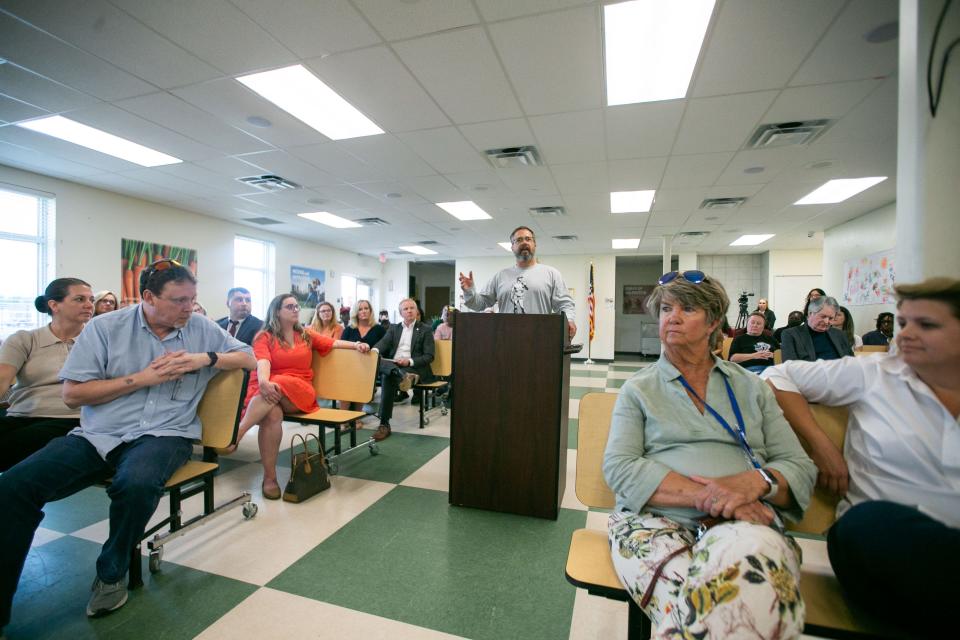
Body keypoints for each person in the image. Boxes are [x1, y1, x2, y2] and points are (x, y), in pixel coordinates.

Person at [0, 260, 255, 627]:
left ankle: (111, 570)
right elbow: (73, 395)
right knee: (12, 488)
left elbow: (248, 357)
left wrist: (207, 357)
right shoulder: (105, 328)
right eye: (179, 301)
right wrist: (141, 379)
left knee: (135, 484)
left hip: (167, 434)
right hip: (99, 434)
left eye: (192, 299)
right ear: (148, 297)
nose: (189, 308)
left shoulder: (200, 328)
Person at [603, 269, 816, 638]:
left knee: (731, 600)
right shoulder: (639, 389)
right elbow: (620, 467)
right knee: (733, 610)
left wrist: (756, 482)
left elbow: (798, 467)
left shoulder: (752, 388)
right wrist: (713, 495)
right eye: (667, 308)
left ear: (714, 321)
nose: (673, 316)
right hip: (653, 523)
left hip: (743, 524)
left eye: (688, 308)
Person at [762, 277, 960, 635]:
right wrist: (821, 445)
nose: (905, 335)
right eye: (902, 324)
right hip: (876, 540)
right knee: (870, 522)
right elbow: (778, 374)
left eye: (926, 325)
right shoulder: (874, 374)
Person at [232, 294, 370, 499]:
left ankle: (238, 433)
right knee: (272, 415)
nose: (296, 309)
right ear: (277, 311)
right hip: (270, 390)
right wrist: (263, 381)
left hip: (299, 390)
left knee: (276, 384)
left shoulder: (306, 334)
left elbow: (334, 344)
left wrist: (357, 344)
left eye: (297, 306)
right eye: (290, 306)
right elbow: (263, 362)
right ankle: (270, 478)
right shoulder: (264, 336)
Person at [0, 278, 92, 471]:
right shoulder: (24, 339)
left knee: (11, 445)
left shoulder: (97, 341)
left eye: (91, 299)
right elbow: (2, 378)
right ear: (54, 305)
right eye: (80, 299)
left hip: (71, 418)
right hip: (21, 415)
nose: (89, 305)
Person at [459, 226, 576, 339]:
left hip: (539, 338)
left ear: (535, 244)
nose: (524, 242)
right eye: (519, 240)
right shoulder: (501, 276)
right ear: (512, 247)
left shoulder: (551, 274)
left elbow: (564, 304)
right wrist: (470, 292)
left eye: (528, 239)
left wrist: (569, 320)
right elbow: (481, 304)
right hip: (506, 338)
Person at [370, 298, 435, 442]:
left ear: (417, 311)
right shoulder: (394, 328)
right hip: (395, 365)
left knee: (387, 376)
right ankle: (401, 375)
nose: (410, 310)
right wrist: (373, 351)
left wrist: (409, 361)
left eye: (412, 308)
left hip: (414, 367)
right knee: (379, 361)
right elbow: (383, 344)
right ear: (400, 313)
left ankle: (384, 424)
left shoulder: (425, 329)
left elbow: (429, 356)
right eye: (406, 309)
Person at [340, 299, 386, 428]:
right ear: (356, 312)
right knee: (347, 380)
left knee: (360, 378)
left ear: (370, 311)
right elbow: (342, 347)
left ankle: (356, 416)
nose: (363, 311)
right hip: (350, 366)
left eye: (366, 308)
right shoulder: (349, 329)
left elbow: (385, 348)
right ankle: (343, 418)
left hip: (370, 367)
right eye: (360, 309)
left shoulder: (379, 329)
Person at [780, 296, 853, 362]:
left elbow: (851, 362)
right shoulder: (791, 334)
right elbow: (790, 366)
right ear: (810, 313)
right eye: (823, 316)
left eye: (831, 318)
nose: (826, 321)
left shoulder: (839, 335)